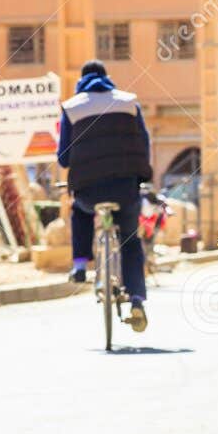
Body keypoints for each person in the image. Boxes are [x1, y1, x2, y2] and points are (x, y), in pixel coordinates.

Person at [58, 60, 151, 333]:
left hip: (88, 190)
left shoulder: (71, 107)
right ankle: (136, 298)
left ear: (81, 80)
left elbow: (64, 158)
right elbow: (144, 144)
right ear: (107, 78)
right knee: (131, 241)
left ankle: (78, 265)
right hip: (125, 188)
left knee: (81, 213)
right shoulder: (129, 103)